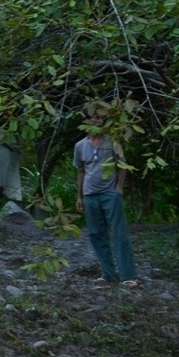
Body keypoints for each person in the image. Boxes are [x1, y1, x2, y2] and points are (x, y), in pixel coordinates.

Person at [75, 115, 138, 286]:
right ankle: (108, 274)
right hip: (89, 195)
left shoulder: (113, 142)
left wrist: (119, 188)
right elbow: (81, 171)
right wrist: (79, 196)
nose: (97, 121)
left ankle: (128, 276)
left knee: (119, 234)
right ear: (86, 121)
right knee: (96, 234)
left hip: (109, 193)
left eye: (100, 118)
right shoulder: (80, 146)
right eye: (93, 118)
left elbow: (122, 166)